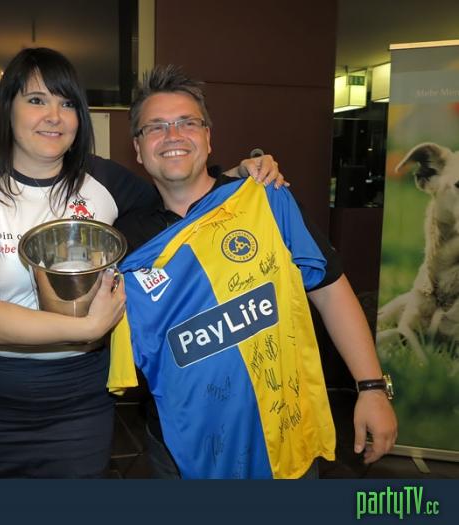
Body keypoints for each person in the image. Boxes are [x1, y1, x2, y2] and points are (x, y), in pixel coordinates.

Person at [0, 48, 282, 478]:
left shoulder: (104, 180)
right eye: (37, 100)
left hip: (82, 398)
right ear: (7, 107)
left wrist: (239, 176)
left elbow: (182, 198)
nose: (54, 116)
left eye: (67, 103)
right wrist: (87, 328)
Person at [109, 65, 398, 479]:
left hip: (284, 438)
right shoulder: (127, 243)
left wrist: (371, 389)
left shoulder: (266, 200)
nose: (173, 135)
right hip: (180, 449)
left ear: (208, 137)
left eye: (187, 123)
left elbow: (330, 290)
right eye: (156, 127)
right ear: (138, 149)